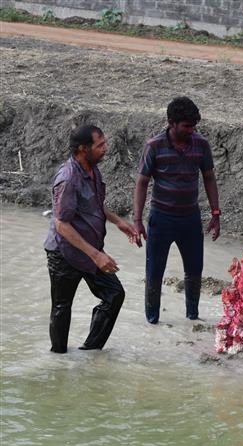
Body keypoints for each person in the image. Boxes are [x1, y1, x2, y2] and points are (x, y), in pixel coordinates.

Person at [44, 124, 139, 353]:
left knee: (114, 295)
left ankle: (91, 351)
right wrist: (97, 255)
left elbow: (93, 204)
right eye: (100, 145)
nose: (106, 148)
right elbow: (61, 224)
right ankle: (59, 358)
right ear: (82, 149)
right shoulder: (67, 179)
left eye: (105, 143)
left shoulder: (92, 169)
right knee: (62, 307)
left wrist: (118, 221)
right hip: (65, 253)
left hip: (90, 251)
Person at [133, 97, 221, 324]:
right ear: (171, 123)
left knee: (194, 271)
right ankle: (152, 320)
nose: (191, 131)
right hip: (161, 219)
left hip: (190, 219)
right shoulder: (154, 146)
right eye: (186, 126)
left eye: (194, 126)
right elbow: (142, 182)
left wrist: (215, 213)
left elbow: (209, 177)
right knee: (154, 272)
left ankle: (192, 316)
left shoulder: (201, 144)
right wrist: (137, 220)